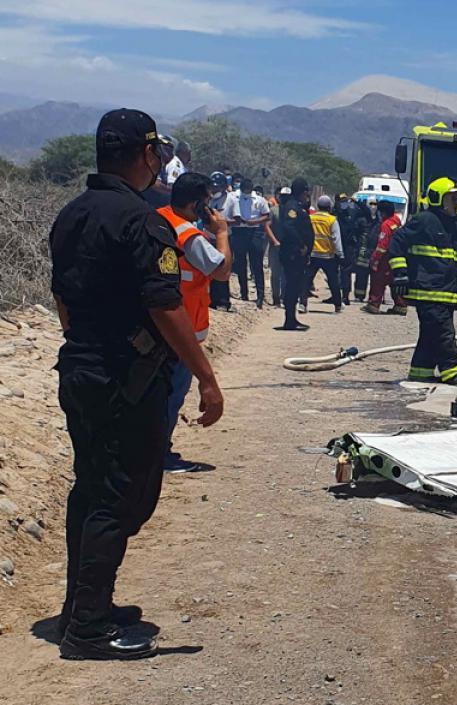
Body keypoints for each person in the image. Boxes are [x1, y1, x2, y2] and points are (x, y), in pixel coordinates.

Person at [49, 108, 224, 660]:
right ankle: (88, 630)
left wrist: (88, 348)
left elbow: (63, 299)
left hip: (80, 367)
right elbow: (165, 305)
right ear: (146, 155)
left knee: (91, 487)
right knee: (120, 496)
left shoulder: (71, 215)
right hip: (126, 376)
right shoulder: (144, 220)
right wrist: (207, 378)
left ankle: (83, 606)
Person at [156, 173, 232, 473]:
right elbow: (222, 271)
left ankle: (155, 451)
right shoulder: (190, 236)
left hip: (160, 326)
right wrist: (222, 234)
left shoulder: (161, 218)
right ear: (199, 203)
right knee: (171, 396)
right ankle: (161, 454)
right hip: (181, 330)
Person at [388, 177, 457, 385]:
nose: (456, 203)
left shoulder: (456, 228)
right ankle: (451, 372)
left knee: (430, 333)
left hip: (447, 291)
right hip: (428, 291)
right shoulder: (423, 220)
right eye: (452, 198)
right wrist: (400, 273)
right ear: (439, 199)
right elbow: (396, 241)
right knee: (444, 333)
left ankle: (420, 372)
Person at [273, 178, 315, 330]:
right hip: (293, 252)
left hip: (298, 253)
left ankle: (292, 318)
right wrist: (301, 244)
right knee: (292, 286)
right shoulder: (292, 206)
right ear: (302, 192)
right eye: (306, 192)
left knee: (296, 285)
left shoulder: (298, 206)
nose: (307, 195)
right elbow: (289, 227)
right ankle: (289, 320)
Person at [224, 177, 270, 308]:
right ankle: (244, 292)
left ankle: (260, 296)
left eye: (249, 190)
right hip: (239, 231)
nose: (247, 192)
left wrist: (254, 222)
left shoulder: (259, 199)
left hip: (254, 231)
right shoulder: (233, 197)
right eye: (245, 189)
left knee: (256, 264)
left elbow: (266, 215)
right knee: (240, 263)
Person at [364, 200, 406, 315]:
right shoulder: (396, 221)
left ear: (383, 212)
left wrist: (374, 258)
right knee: (394, 281)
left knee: (378, 280)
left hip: (384, 258)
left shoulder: (386, 225)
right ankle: (400, 305)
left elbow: (382, 245)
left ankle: (374, 304)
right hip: (396, 256)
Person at [304, 195, 344, 313]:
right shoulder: (332, 220)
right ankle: (337, 305)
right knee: (333, 282)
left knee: (306, 280)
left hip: (312, 254)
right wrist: (340, 254)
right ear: (329, 207)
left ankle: (302, 303)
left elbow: (305, 234)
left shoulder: (310, 218)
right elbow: (336, 238)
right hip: (328, 255)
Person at [207, 171, 233, 311]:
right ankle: (213, 299)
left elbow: (238, 219)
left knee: (223, 268)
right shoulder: (209, 200)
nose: (215, 189)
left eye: (218, 187)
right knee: (211, 269)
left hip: (225, 237)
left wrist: (221, 222)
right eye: (214, 187)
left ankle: (224, 301)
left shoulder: (231, 199)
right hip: (210, 237)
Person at [266, 187, 289, 306]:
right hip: (276, 247)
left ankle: (285, 297)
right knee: (275, 274)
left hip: (289, 247)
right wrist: (274, 240)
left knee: (286, 273)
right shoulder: (274, 211)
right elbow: (267, 226)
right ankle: (276, 298)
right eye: (282, 196)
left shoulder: (293, 212)